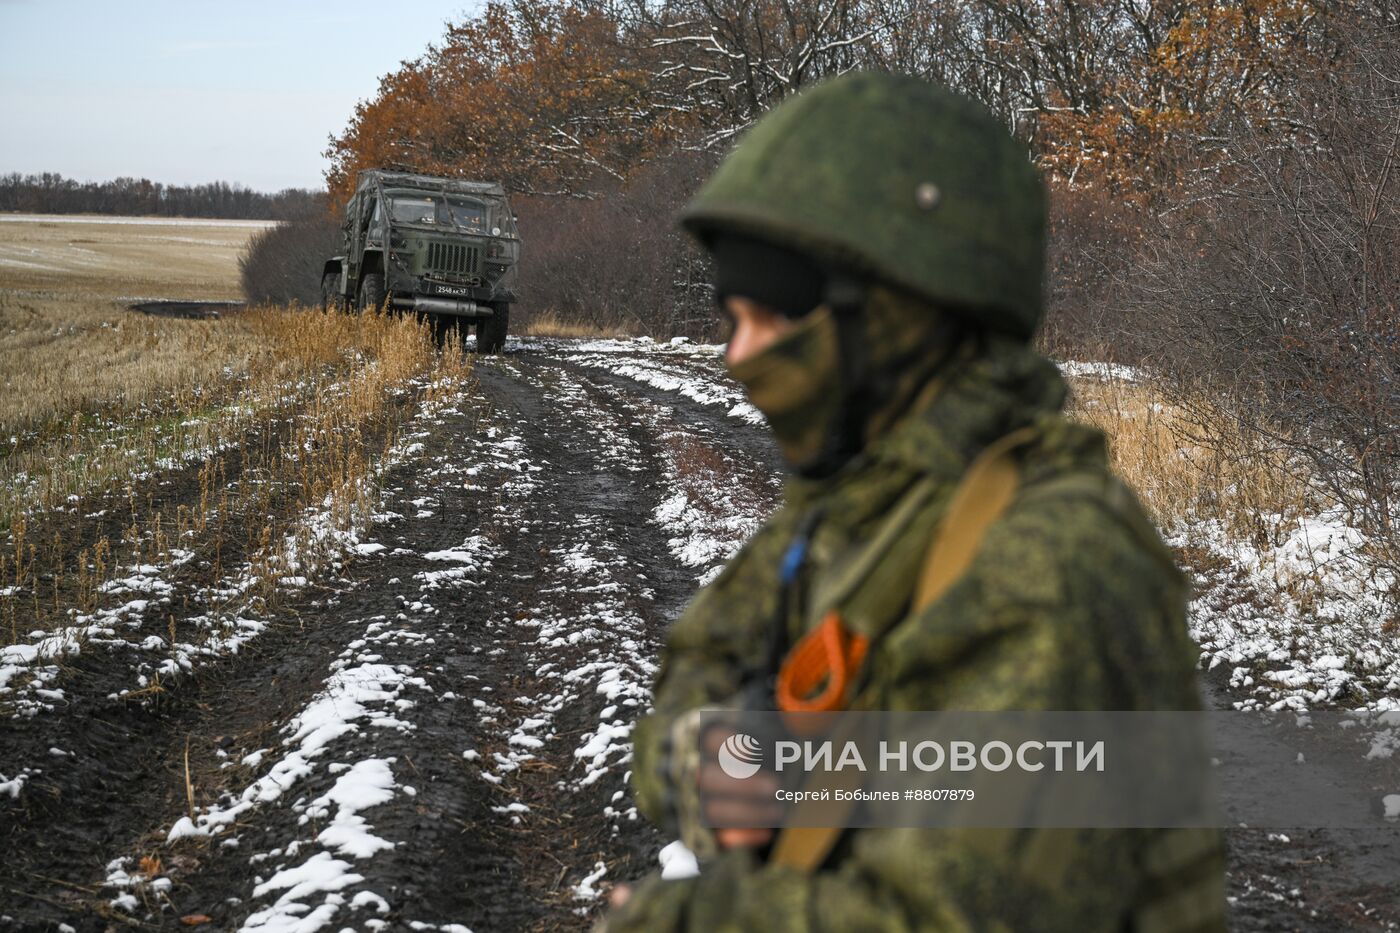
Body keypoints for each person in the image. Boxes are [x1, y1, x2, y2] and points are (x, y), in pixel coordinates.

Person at [601, 71, 1226, 932]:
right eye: (730, 319)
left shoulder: (1048, 561)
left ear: (897, 314)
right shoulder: (857, 502)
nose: (739, 356)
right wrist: (725, 756)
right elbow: (693, 673)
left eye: (773, 320)